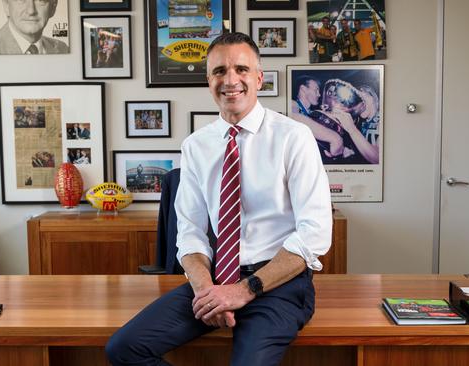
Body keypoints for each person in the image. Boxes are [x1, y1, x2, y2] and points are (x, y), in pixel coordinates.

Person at [105, 32, 332, 366]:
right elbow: (190, 232)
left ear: (259, 78)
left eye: (241, 69)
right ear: (208, 80)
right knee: (124, 348)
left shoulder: (293, 138)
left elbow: (314, 233)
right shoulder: (197, 146)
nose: (230, 80)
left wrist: (242, 291)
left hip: (277, 285)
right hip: (216, 280)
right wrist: (205, 289)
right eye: (219, 71)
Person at [290, 75, 346, 160]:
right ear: (303, 89)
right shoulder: (292, 104)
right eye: (316, 90)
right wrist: (335, 138)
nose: (319, 94)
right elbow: (293, 116)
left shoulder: (312, 113)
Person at [0, 0, 69, 55]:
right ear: (6, 5)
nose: (31, 11)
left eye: (40, 0)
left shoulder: (63, 49)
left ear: (53, 8)